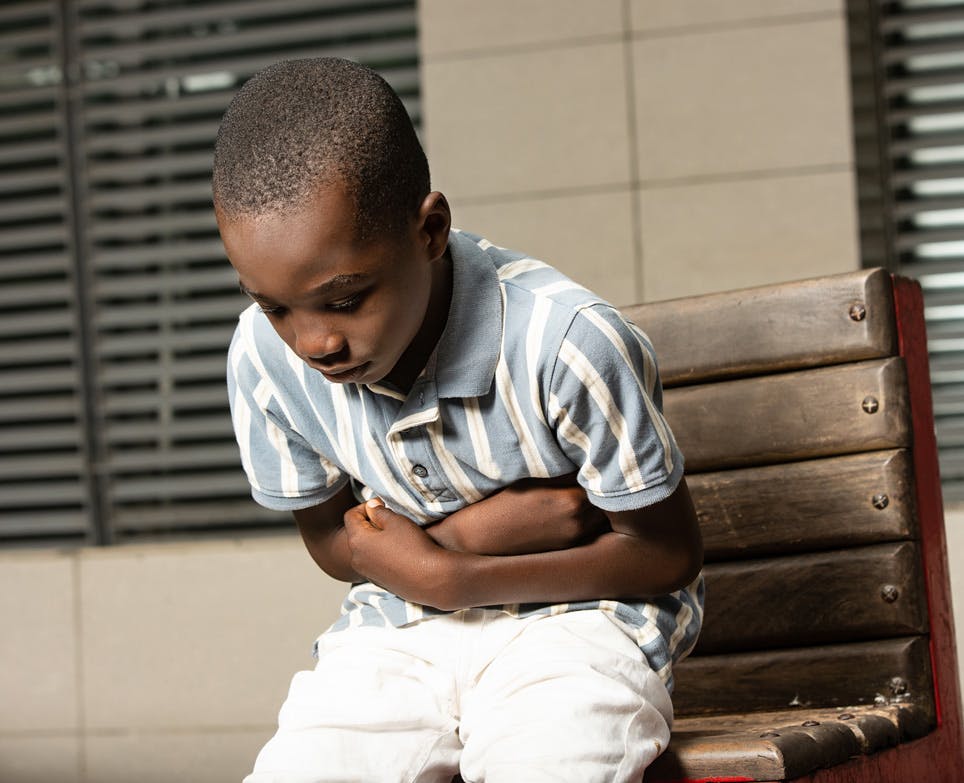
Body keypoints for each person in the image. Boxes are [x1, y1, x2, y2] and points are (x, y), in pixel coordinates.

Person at [214, 57, 704, 783]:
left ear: (430, 229)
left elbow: (667, 555)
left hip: (578, 625)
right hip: (396, 631)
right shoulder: (264, 359)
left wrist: (449, 575)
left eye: (345, 299)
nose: (313, 342)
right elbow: (327, 536)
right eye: (275, 305)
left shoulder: (565, 343)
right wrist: (456, 552)